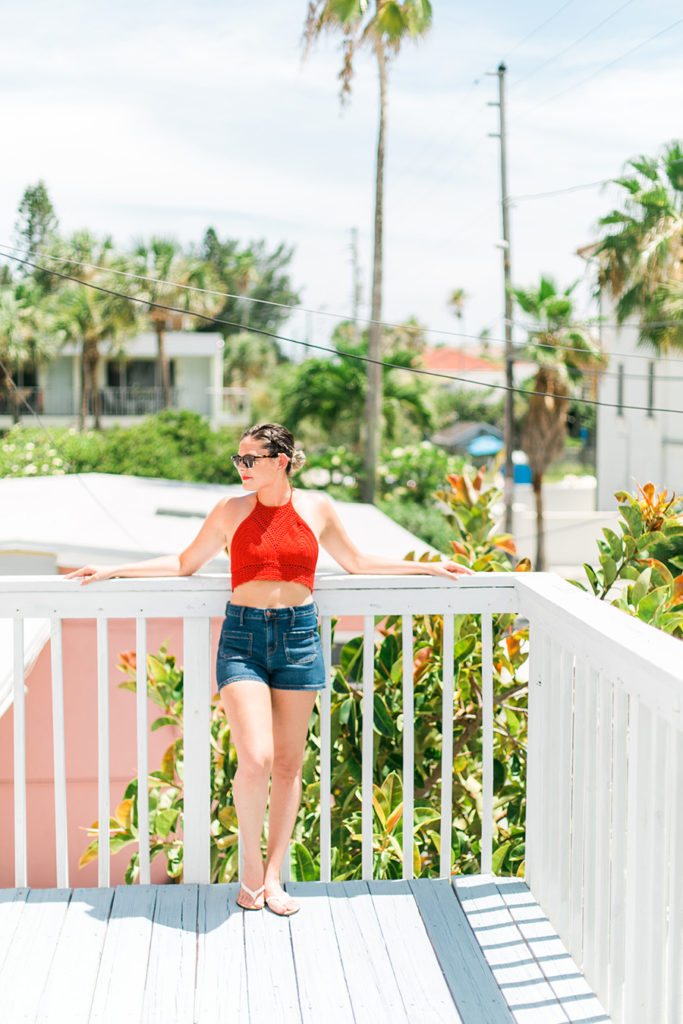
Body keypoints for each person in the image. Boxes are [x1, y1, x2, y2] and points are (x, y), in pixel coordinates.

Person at [64, 422, 473, 915]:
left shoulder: (317, 508)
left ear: (281, 460)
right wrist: (112, 570)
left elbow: (358, 563)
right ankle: (250, 864)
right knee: (255, 758)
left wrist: (429, 567)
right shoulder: (231, 511)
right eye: (237, 459)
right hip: (243, 639)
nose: (241, 467)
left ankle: (275, 875)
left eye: (249, 459)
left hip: (299, 637)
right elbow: (183, 562)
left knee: (287, 764)